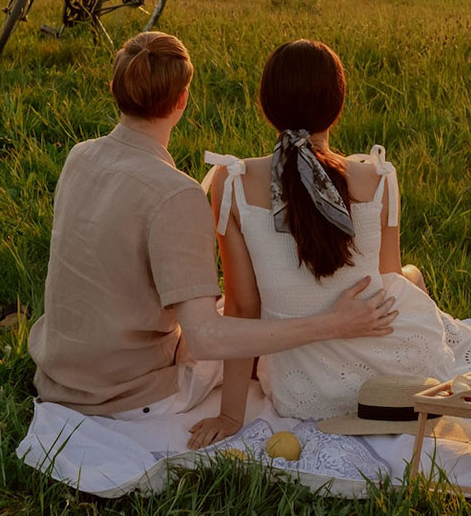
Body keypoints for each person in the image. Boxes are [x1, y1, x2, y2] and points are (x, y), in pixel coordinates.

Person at [27, 31, 399, 427]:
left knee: (234, 309)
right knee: (239, 322)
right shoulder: (176, 194)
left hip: (59, 376)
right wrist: (334, 323)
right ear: (183, 100)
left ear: (115, 88)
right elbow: (207, 339)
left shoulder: (79, 155)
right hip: (130, 394)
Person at [190, 39, 471, 447]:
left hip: (301, 389)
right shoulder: (378, 177)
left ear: (266, 105)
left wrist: (230, 414)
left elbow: (244, 307)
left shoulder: (233, 184)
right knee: (409, 277)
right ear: (338, 105)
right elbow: (387, 281)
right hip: (395, 377)